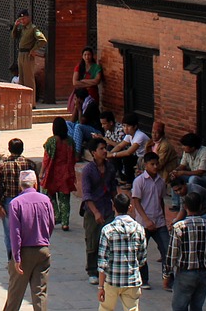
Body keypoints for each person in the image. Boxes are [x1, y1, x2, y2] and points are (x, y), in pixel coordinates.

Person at [163, 191, 206, 310]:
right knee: (197, 308)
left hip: (185, 274)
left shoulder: (179, 227)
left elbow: (172, 254)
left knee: (179, 307)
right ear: (201, 207)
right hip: (203, 274)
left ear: (185, 207)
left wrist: (167, 274)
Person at [4, 169, 54, 311]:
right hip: (43, 249)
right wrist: (43, 239)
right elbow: (50, 224)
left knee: (15, 293)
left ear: (21, 186)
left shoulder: (15, 203)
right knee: (40, 293)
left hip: (24, 251)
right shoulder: (46, 200)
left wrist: (17, 257)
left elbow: (15, 233)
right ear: (35, 184)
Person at [97, 192, 147, 311]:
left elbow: (102, 262)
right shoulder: (139, 229)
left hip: (111, 280)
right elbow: (142, 257)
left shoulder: (107, 230)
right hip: (132, 280)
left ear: (113, 207)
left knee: (106, 308)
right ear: (130, 207)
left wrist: (100, 287)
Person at [130, 151, 168, 291]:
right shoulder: (139, 181)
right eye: (152, 164)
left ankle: (168, 279)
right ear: (146, 165)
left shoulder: (161, 181)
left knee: (167, 249)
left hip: (159, 221)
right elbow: (136, 202)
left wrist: (162, 217)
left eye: (157, 164)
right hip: (143, 223)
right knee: (141, 252)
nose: (155, 167)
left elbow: (161, 200)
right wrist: (146, 220)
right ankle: (143, 279)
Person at [82, 137, 118, 284]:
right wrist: (95, 212)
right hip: (92, 210)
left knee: (108, 240)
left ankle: (106, 268)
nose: (105, 151)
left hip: (107, 207)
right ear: (93, 152)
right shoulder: (88, 170)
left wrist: (119, 203)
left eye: (105, 148)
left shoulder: (110, 168)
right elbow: (86, 194)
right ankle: (92, 270)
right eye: (101, 149)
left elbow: (113, 188)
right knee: (92, 240)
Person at [0, 138, 41, 255]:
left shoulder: (3, 166)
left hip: (9, 202)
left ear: (9, 149)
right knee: (27, 228)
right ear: (22, 149)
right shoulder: (30, 164)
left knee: (10, 231)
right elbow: (37, 185)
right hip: (28, 200)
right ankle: (25, 255)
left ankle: (12, 258)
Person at [41, 117, 77, 232]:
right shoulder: (70, 141)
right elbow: (74, 157)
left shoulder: (51, 141)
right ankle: (65, 222)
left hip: (53, 172)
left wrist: (42, 171)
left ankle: (56, 215)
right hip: (65, 172)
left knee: (48, 194)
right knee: (65, 198)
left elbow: (46, 159)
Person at [107, 112, 151, 185]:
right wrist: (109, 153)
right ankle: (122, 177)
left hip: (143, 158)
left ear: (135, 126)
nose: (125, 128)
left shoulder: (139, 136)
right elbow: (119, 146)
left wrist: (112, 155)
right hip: (137, 156)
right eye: (124, 126)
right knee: (114, 152)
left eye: (128, 126)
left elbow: (129, 152)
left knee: (127, 158)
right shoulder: (129, 135)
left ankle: (129, 182)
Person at [11, 10, 43, 102]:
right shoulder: (22, 29)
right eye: (21, 19)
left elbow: (42, 40)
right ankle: (23, 100)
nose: (23, 21)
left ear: (28, 18)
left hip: (28, 55)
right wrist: (15, 26)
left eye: (24, 18)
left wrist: (33, 49)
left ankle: (31, 102)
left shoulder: (33, 28)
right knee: (22, 79)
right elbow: (14, 36)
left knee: (29, 79)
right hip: (21, 54)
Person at [71, 47, 104, 111]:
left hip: (92, 93)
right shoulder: (79, 67)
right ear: (82, 56)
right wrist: (90, 83)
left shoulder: (96, 67)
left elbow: (97, 81)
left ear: (92, 55)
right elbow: (75, 82)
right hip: (80, 94)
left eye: (89, 55)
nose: (87, 57)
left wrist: (83, 81)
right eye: (85, 55)